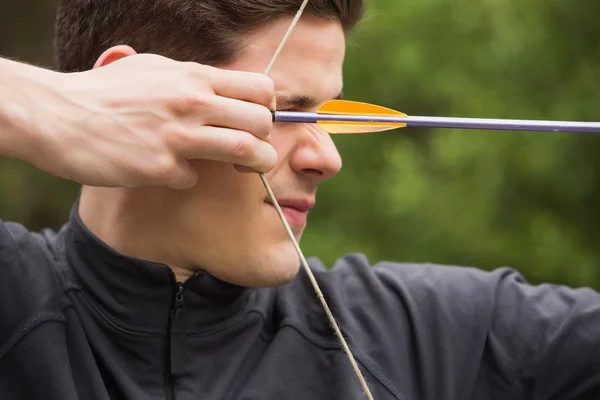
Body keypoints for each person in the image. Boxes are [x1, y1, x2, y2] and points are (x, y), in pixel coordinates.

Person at [1, 0, 599, 399]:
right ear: (128, 96)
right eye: (288, 110)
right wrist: (54, 108)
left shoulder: (428, 336)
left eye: (328, 115)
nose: (326, 157)